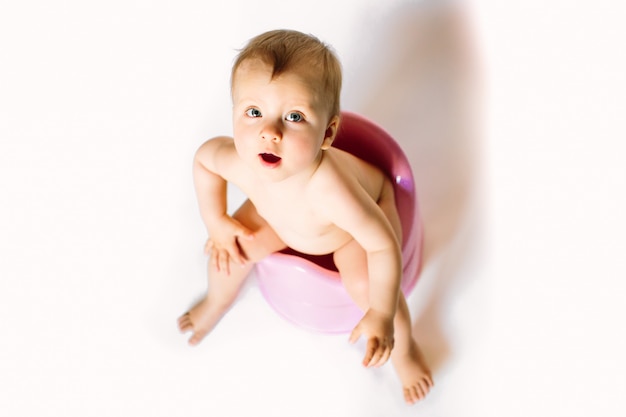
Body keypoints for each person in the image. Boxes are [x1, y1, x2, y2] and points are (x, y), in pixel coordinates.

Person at [177, 29, 433, 404]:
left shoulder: (331, 190)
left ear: (327, 134)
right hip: (282, 221)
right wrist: (215, 221)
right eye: (253, 112)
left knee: (371, 289)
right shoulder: (240, 160)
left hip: (347, 231)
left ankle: (405, 351)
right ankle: (217, 300)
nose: (269, 132)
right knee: (226, 251)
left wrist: (380, 309)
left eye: (294, 117)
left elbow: (382, 244)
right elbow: (203, 162)